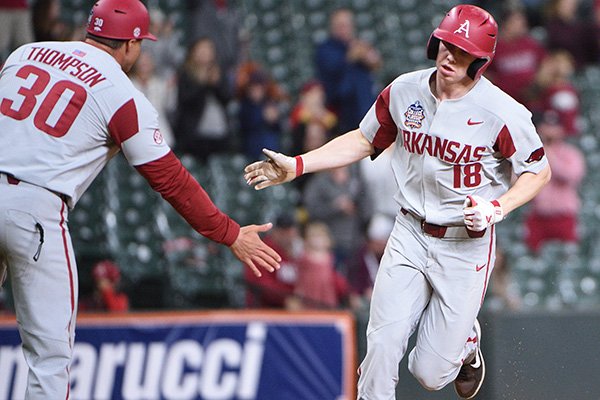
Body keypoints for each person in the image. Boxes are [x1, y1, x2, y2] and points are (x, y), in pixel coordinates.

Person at [244, 5, 551, 399]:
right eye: (445, 44)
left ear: (481, 61)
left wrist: (499, 207)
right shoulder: (405, 90)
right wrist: (300, 165)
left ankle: (466, 345)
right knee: (382, 345)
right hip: (408, 230)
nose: (449, 56)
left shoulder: (502, 112)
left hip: (465, 242)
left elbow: (538, 171)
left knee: (429, 372)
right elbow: (364, 138)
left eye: (462, 50)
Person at [0, 1, 281, 398]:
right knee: (49, 356)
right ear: (131, 45)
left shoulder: (25, 53)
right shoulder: (121, 93)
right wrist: (229, 233)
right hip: (36, 210)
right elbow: (171, 180)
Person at [524, 111, 585, 253]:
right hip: (539, 215)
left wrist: (550, 156)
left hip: (563, 216)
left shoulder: (570, 153)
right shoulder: (533, 153)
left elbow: (571, 175)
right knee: (532, 254)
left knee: (568, 255)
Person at [315, 8, 382, 134]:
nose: (344, 29)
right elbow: (331, 69)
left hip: (366, 105)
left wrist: (368, 56)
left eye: (347, 25)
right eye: (340, 25)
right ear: (332, 27)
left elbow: (376, 63)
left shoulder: (358, 44)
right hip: (343, 109)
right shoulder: (325, 48)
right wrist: (352, 55)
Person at [173, 36, 232, 162]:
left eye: (208, 49)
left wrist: (216, 84)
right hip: (194, 135)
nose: (205, 52)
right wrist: (203, 83)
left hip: (218, 132)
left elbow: (227, 98)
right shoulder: (186, 73)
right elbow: (185, 100)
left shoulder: (218, 72)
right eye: (201, 49)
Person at [244, 213, 301, 308]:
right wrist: (286, 299)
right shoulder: (262, 250)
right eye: (283, 231)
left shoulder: (298, 252)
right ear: (275, 232)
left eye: (289, 231)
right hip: (265, 309)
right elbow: (261, 284)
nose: (287, 235)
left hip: (292, 309)